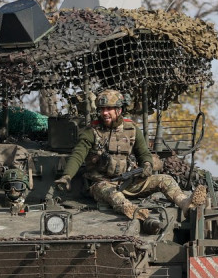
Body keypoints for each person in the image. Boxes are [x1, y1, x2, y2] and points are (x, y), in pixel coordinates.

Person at [55, 89, 206, 220]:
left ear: (119, 110)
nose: (104, 113)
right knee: (110, 192)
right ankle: (132, 210)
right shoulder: (91, 131)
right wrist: (66, 176)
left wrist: (147, 165)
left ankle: (185, 203)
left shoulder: (131, 129)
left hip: (129, 182)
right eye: (102, 109)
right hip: (101, 184)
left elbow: (144, 153)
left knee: (165, 180)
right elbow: (78, 154)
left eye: (109, 109)